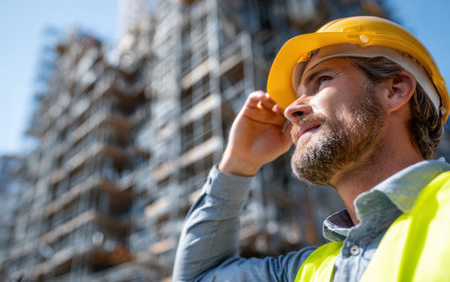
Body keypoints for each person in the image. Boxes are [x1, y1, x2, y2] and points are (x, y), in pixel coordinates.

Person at [172, 16, 450, 281]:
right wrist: (238, 163)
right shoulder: (310, 270)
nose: (292, 109)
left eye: (323, 80)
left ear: (395, 90)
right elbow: (198, 278)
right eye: (297, 96)